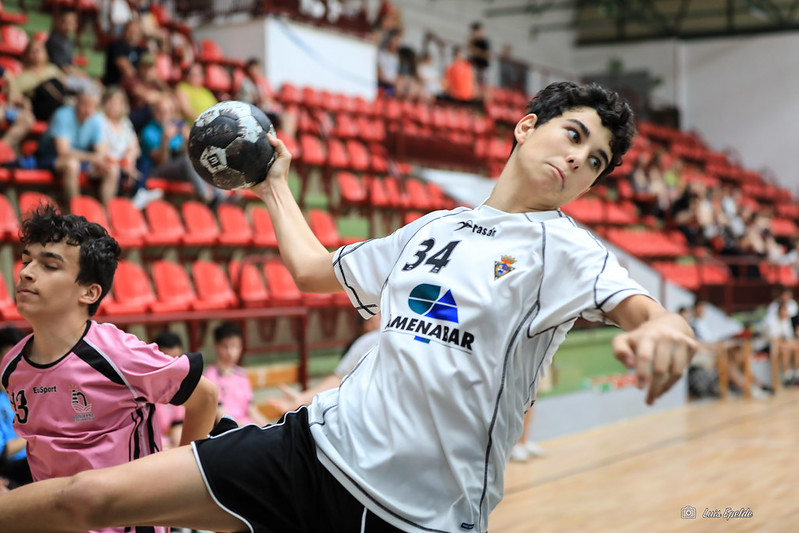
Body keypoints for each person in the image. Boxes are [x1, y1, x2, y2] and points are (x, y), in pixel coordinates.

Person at [0, 81, 697, 533]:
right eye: (573, 135)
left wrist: (665, 328)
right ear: (525, 126)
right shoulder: (432, 228)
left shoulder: (565, 249)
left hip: (416, 512)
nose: (578, 160)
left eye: (596, 161)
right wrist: (274, 187)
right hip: (312, 447)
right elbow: (313, 270)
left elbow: (646, 311)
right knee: (86, 499)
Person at [0, 204, 218, 533]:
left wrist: (181, 493)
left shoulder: (117, 354)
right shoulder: (11, 367)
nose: (26, 273)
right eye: (26, 260)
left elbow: (205, 395)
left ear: (89, 292)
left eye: (49, 265)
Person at [266, 313, 382, 414]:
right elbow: (340, 379)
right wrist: (302, 399)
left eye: (379, 314)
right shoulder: (368, 341)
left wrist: (302, 399)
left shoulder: (375, 339)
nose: (374, 317)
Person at [34, 86, 120, 209]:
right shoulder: (62, 115)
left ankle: (107, 214)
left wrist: (98, 160)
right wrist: (94, 158)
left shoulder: (96, 120)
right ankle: (75, 213)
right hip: (48, 158)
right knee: (72, 165)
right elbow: (63, 151)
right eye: (85, 105)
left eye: (92, 106)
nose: (88, 110)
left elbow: (101, 152)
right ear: (77, 102)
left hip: (80, 161)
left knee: (112, 169)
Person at [203, 322, 268, 428]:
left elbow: (251, 409)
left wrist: (269, 427)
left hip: (248, 427)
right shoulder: (210, 377)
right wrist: (248, 429)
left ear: (241, 347)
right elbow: (221, 416)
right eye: (225, 346)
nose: (230, 352)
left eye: (234, 346)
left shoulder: (242, 375)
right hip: (229, 430)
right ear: (216, 346)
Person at [0, 326, 31, 489]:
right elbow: (2, 453)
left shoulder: (33, 393)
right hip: (11, 470)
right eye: (7, 361)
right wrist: (35, 437)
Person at [153, 330, 187, 448]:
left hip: (169, 445)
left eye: (176, 359)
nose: (172, 364)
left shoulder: (178, 385)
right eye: (167, 358)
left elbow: (178, 424)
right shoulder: (145, 387)